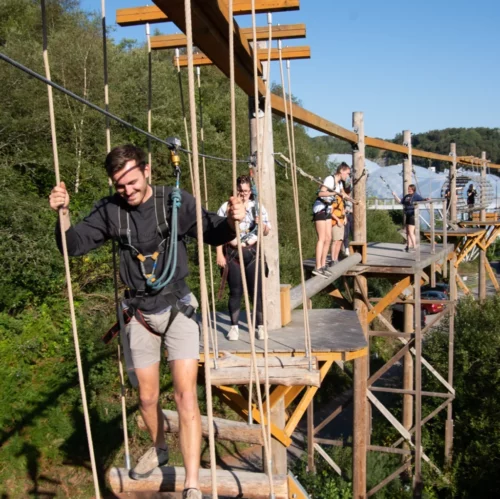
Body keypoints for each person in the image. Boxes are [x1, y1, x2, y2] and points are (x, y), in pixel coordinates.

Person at [49, 144, 245, 498]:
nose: (127, 191)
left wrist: (233, 218)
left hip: (178, 308)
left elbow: (215, 231)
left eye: (132, 182)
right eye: (119, 185)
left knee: (186, 396)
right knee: (148, 397)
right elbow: (73, 245)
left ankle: (191, 484)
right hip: (138, 313)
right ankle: (158, 449)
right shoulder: (111, 211)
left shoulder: (174, 201)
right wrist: (63, 213)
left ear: (148, 170)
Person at [216, 175, 271, 341]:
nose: (243, 194)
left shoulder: (258, 208)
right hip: (233, 253)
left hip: (252, 253)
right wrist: (219, 254)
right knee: (235, 292)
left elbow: (267, 231)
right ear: (236, 190)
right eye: (240, 191)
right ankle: (234, 327)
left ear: (250, 191)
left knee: (257, 291)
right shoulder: (226, 207)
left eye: (246, 191)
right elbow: (217, 232)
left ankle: (260, 326)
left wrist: (261, 225)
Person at [312, 162, 352, 278]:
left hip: (328, 209)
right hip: (320, 208)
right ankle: (318, 266)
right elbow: (320, 193)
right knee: (322, 238)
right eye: (347, 173)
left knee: (329, 238)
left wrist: (347, 196)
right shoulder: (330, 179)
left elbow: (343, 193)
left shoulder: (339, 183)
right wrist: (334, 192)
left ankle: (323, 265)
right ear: (342, 171)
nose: (347, 176)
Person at [392, 184, 426, 252]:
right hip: (407, 215)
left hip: (412, 215)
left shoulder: (416, 196)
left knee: (411, 232)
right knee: (407, 232)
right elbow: (401, 202)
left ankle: (415, 247)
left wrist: (426, 199)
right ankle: (408, 245)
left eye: (410, 189)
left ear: (413, 189)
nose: (409, 190)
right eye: (408, 189)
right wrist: (395, 195)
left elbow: (422, 199)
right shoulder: (407, 196)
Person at [342, 185, 354, 257]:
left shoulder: (351, 198)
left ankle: (353, 247)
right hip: (346, 215)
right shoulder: (343, 198)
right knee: (346, 233)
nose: (349, 193)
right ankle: (346, 248)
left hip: (351, 215)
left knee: (353, 231)